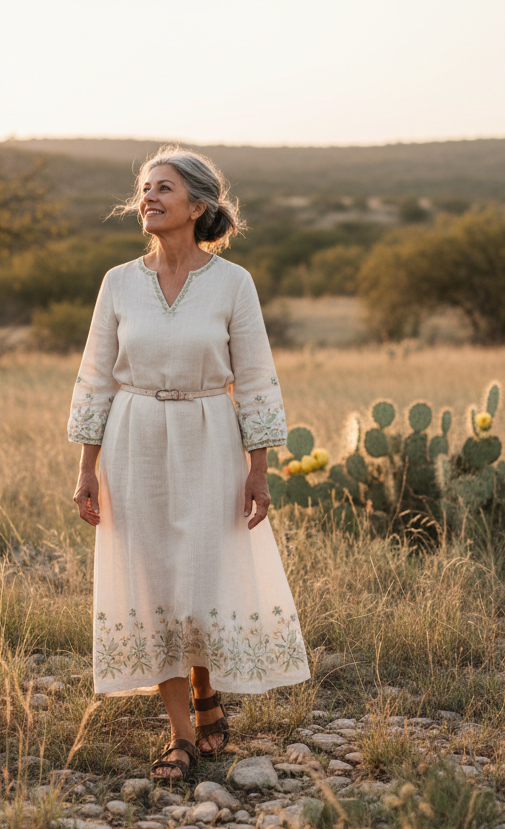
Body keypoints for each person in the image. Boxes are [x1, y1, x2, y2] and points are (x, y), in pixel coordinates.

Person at [68, 146, 309, 782]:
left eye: (164, 188)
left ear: (198, 206)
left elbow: (256, 378)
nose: (148, 197)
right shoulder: (119, 281)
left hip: (211, 438)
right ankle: (179, 734)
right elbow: (95, 378)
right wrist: (86, 468)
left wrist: (259, 469)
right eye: (145, 188)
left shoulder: (234, 283)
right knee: (154, 583)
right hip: (134, 437)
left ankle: (207, 692)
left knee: (198, 575)